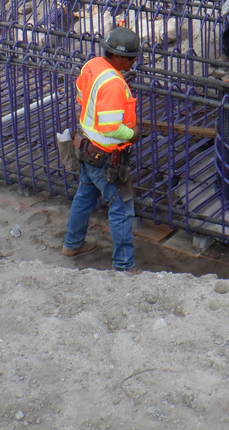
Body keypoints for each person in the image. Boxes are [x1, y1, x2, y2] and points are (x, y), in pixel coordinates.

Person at [62, 26, 142, 275]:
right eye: (131, 58)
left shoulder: (93, 65)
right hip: (106, 156)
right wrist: (133, 134)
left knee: (84, 197)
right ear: (117, 57)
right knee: (122, 206)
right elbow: (110, 127)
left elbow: (81, 96)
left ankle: (72, 245)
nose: (135, 61)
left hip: (86, 148)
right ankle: (124, 266)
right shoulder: (114, 84)